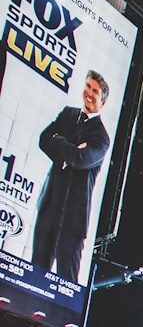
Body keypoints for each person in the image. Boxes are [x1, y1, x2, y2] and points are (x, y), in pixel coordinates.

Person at [32, 70, 111, 282]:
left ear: (102, 102)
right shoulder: (67, 113)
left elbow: (80, 159)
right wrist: (69, 151)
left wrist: (60, 142)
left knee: (66, 281)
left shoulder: (101, 137)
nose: (89, 93)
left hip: (72, 221)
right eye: (88, 86)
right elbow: (43, 139)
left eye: (95, 91)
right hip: (48, 207)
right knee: (34, 274)